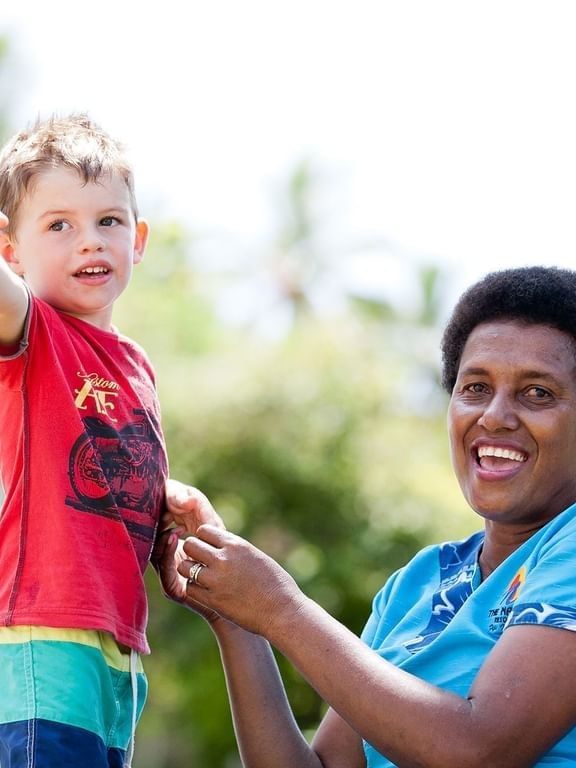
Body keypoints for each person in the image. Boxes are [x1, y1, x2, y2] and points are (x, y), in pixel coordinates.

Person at [156, 265, 576, 767]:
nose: (494, 416)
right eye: (475, 387)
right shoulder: (419, 583)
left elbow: (479, 750)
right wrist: (236, 617)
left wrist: (281, 609)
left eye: (538, 393)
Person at [0, 114, 219, 768]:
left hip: (116, 652)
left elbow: (118, 483)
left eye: (109, 222)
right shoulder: (30, 333)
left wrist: (170, 527)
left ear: (139, 238)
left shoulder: (136, 367)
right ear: (11, 251)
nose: (88, 242)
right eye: (58, 225)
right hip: (41, 637)